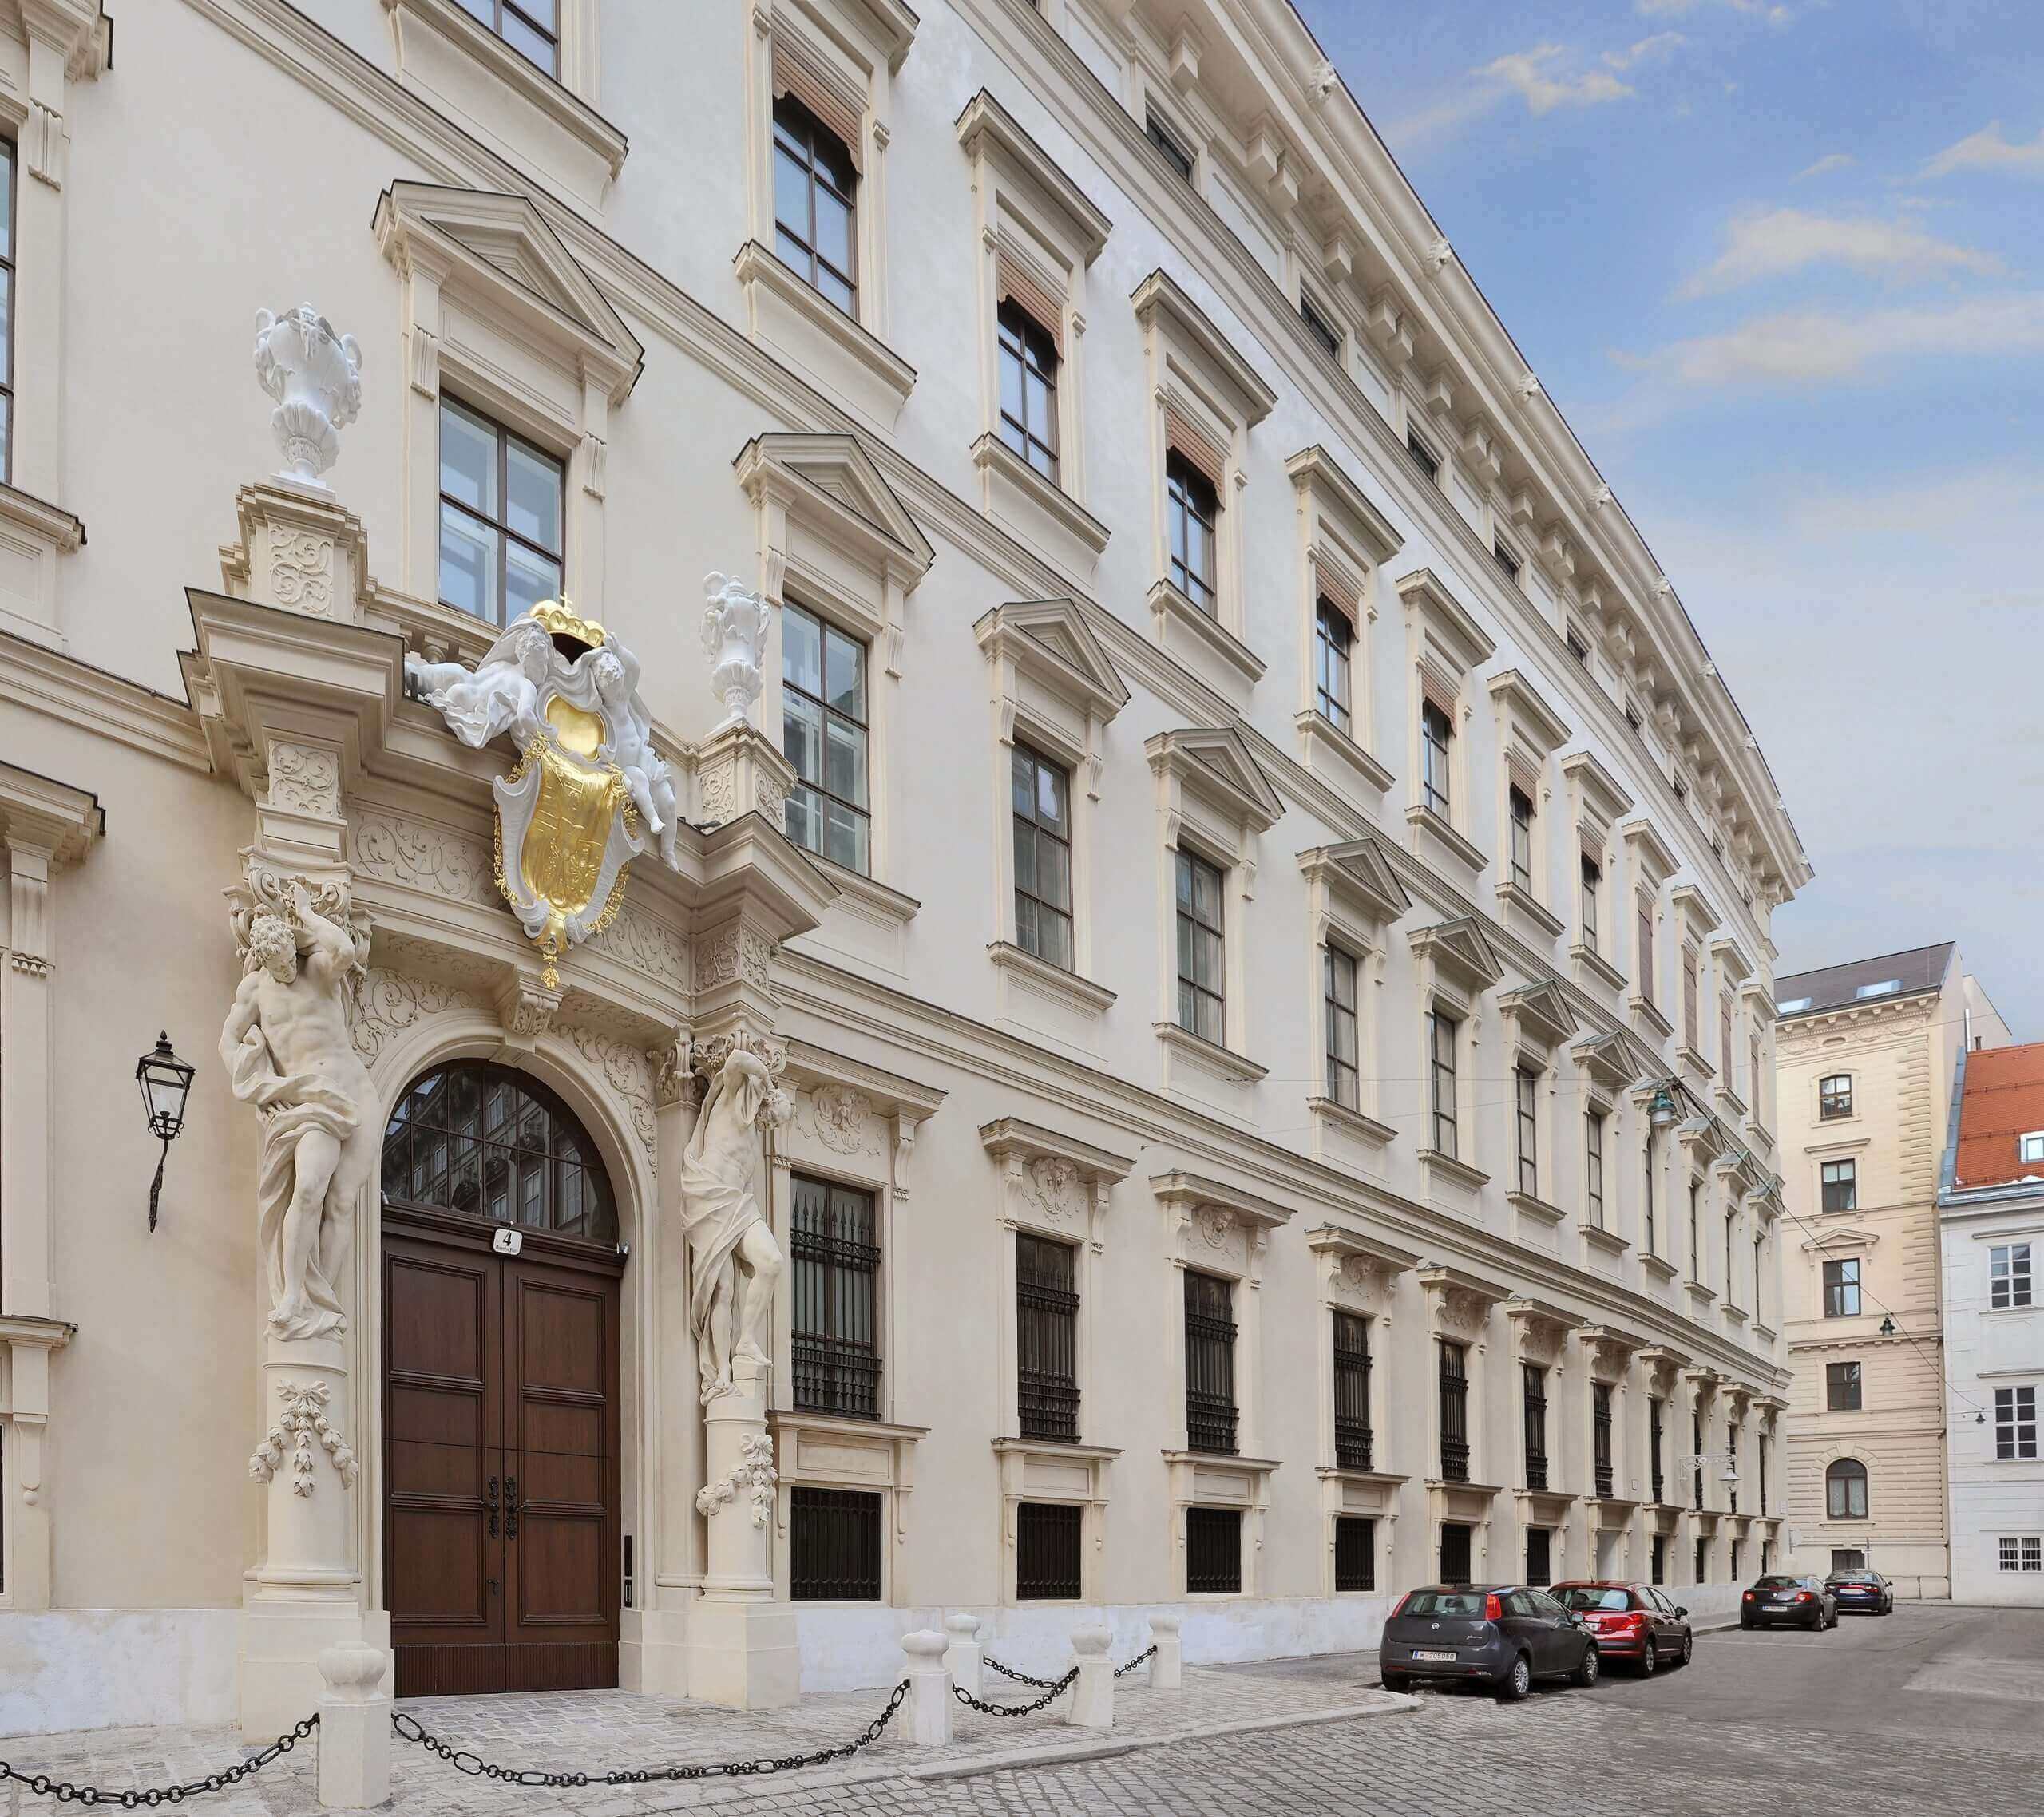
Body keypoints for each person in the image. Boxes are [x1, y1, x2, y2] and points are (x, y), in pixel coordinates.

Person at [219, 881, 377, 1340]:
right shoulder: (255, 992)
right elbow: (228, 1041)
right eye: (279, 963)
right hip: (312, 1100)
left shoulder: (319, 970)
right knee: (309, 1188)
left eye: (291, 957)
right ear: (263, 959)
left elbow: (344, 948)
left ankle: (319, 1303)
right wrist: (262, 1085)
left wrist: (308, 914)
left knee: (342, 1201)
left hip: (356, 1093)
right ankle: (293, 1298)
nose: (289, 968)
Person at [678, 1047, 790, 1402]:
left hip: (740, 1204)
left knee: (771, 1263)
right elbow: (737, 1057)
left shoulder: (752, 1138)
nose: (769, 1124)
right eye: (772, 1116)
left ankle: (746, 1341)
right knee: (722, 1290)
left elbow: (747, 1185)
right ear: (766, 1099)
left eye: (773, 1123)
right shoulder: (730, 1098)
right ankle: (722, 1371)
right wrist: (769, 1081)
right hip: (710, 1198)